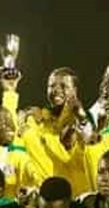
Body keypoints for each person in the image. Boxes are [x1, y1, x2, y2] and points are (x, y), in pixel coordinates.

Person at [13, 67, 92, 196]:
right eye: (52, 86)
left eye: (64, 86)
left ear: (75, 91)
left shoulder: (84, 123)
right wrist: (23, 117)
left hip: (75, 199)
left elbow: (67, 158)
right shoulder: (38, 119)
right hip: (44, 199)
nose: (56, 90)